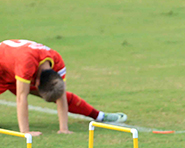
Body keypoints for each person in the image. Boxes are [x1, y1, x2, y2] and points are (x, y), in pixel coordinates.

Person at [0, 39, 128, 136]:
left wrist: (64, 129)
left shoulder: (58, 63)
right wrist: (25, 132)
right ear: (36, 83)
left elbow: (61, 94)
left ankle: (99, 116)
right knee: (23, 92)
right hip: (3, 67)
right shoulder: (26, 65)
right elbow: (22, 98)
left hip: (19, 66)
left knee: (56, 91)